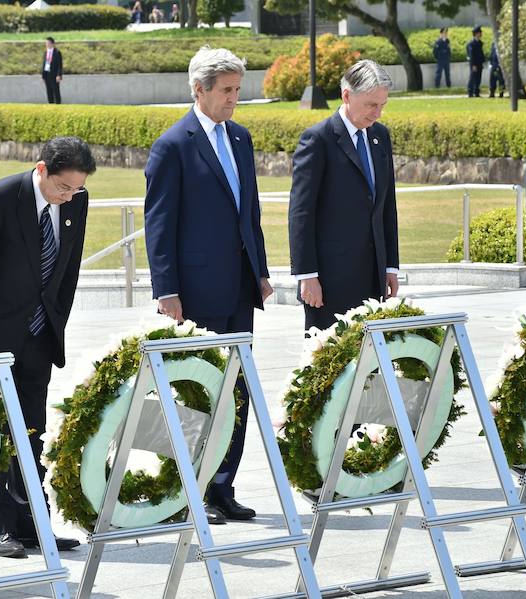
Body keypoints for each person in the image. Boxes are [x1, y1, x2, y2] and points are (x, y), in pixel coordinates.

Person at [0, 137, 95, 558]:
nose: (69, 197)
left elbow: (69, 268)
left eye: (76, 190)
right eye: (63, 188)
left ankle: (33, 524)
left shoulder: (76, 203)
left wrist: (57, 321)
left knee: (32, 431)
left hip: (39, 335)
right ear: (42, 169)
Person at [144, 46, 273, 525]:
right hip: (195, 295)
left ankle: (222, 488)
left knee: (235, 392)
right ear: (199, 90)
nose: (234, 99)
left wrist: (259, 272)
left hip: (239, 289)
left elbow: (250, 211)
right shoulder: (173, 145)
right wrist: (166, 291)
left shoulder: (240, 138)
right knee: (197, 395)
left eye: (238, 90)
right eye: (226, 91)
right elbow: (159, 224)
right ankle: (188, 492)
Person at [288, 59, 400, 332]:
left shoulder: (380, 137)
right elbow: (301, 213)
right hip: (328, 281)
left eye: (382, 105)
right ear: (347, 95)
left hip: (372, 275)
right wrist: (308, 275)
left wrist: (391, 266)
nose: (378, 114)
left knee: (369, 363)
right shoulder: (318, 140)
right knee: (328, 364)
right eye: (371, 105)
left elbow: (386, 206)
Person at [41, 37, 63, 105]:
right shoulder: (46, 52)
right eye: (46, 43)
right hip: (47, 74)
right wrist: (43, 76)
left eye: (48, 43)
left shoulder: (57, 52)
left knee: (55, 91)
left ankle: (58, 105)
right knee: (49, 91)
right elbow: (44, 64)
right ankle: (50, 104)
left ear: (52, 44)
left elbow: (60, 65)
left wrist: (59, 75)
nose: (47, 45)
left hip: (54, 75)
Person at [466, 25, 485, 98]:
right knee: (472, 77)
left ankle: (476, 92)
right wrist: (473, 65)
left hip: (479, 63)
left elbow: (481, 53)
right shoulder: (471, 44)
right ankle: (470, 92)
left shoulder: (480, 43)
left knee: (478, 78)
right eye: (479, 32)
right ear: (476, 33)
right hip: (474, 64)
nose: (481, 34)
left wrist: (483, 61)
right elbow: (471, 55)